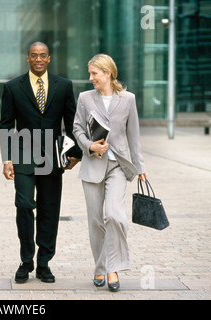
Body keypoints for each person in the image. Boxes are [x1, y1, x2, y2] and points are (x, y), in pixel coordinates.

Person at [0, 42, 82, 283]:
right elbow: (5, 125)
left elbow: (72, 122)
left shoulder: (64, 85)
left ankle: (44, 262)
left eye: (42, 55)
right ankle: (26, 260)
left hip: (52, 157)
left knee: (49, 210)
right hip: (23, 154)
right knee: (24, 205)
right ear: (27, 58)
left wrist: (74, 154)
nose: (38, 59)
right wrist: (7, 159)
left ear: (49, 58)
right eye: (34, 55)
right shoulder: (13, 87)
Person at [73, 54, 147, 292]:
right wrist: (89, 146)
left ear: (108, 73)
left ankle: (112, 268)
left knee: (115, 216)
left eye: (94, 73)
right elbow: (77, 128)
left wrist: (141, 167)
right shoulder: (85, 98)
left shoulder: (128, 100)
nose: (90, 78)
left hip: (117, 165)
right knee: (96, 221)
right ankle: (100, 265)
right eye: (90, 73)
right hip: (93, 165)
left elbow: (134, 135)